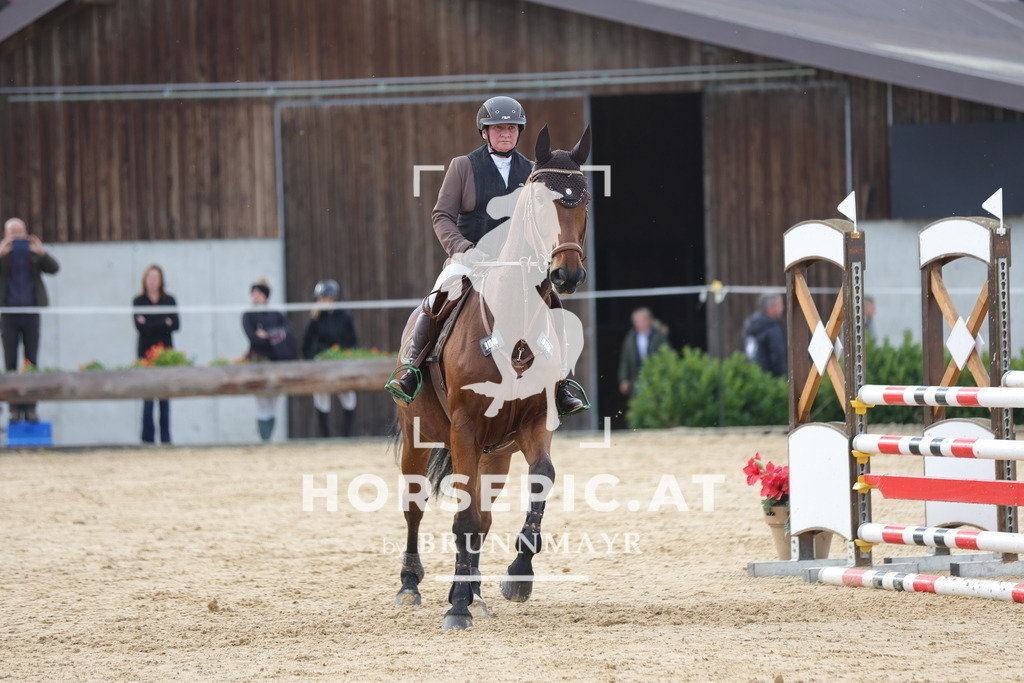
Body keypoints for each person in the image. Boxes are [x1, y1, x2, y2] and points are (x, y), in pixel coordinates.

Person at [385, 95, 587, 417]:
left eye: (511, 128)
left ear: (519, 132)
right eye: (498, 128)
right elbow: (442, 216)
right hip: (471, 259)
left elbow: (545, 219)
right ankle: (411, 370)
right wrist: (463, 249)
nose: (505, 134)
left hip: (519, 265)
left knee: (552, 304)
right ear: (485, 132)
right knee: (436, 299)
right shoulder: (463, 167)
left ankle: (561, 382)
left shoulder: (533, 172)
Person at [0, 217, 60, 423]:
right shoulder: (3, 255)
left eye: (20, 231)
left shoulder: (33, 255)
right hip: (8, 313)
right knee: (10, 360)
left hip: (31, 312)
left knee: (31, 360)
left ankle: (31, 407)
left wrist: (41, 252)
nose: (17, 236)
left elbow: (54, 269)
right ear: (6, 235)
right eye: (12, 232)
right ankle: (14, 408)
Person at [242, 277, 298, 441]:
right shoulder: (248, 315)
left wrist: (269, 334)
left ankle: (268, 438)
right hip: (258, 361)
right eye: (254, 293)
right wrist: (272, 335)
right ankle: (264, 439)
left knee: (273, 402)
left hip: (276, 361)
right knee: (261, 402)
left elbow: (287, 333)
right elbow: (254, 338)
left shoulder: (276, 314)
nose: (255, 296)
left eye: (259, 293)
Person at [302, 279, 359, 437]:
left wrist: (345, 357)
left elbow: (353, 342)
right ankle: (326, 436)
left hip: (341, 361)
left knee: (348, 396)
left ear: (334, 298)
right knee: (320, 395)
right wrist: (314, 359)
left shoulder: (345, 316)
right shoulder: (315, 317)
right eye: (320, 298)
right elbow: (306, 344)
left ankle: (346, 435)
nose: (322, 301)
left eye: (325, 298)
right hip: (322, 362)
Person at [133, 264, 180, 444]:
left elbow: (175, 324)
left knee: (164, 400)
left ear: (161, 281)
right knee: (147, 401)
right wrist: (163, 322)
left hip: (165, 356)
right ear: (145, 280)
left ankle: (166, 440)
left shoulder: (169, 300)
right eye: (149, 278)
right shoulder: (139, 301)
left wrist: (150, 323)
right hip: (146, 355)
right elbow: (140, 328)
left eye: (155, 278)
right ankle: (147, 440)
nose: (152, 281)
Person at [618, 307, 670, 397]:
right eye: (637, 321)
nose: (640, 324)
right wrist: (624, 378)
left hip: (655, 376)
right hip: (636, 377)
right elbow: (625, 359)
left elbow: (667, 356)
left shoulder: (658, 337)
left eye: (642, 321)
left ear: (650, 320)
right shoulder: (630, 338)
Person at [742, 292, 787, 377]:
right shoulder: (772, 328)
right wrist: (782, 378)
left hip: (752, 376)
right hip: (770, 379)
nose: (782, 308)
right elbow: (778, 356)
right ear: (770, 307)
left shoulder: (750, 325)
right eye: (779, 304)